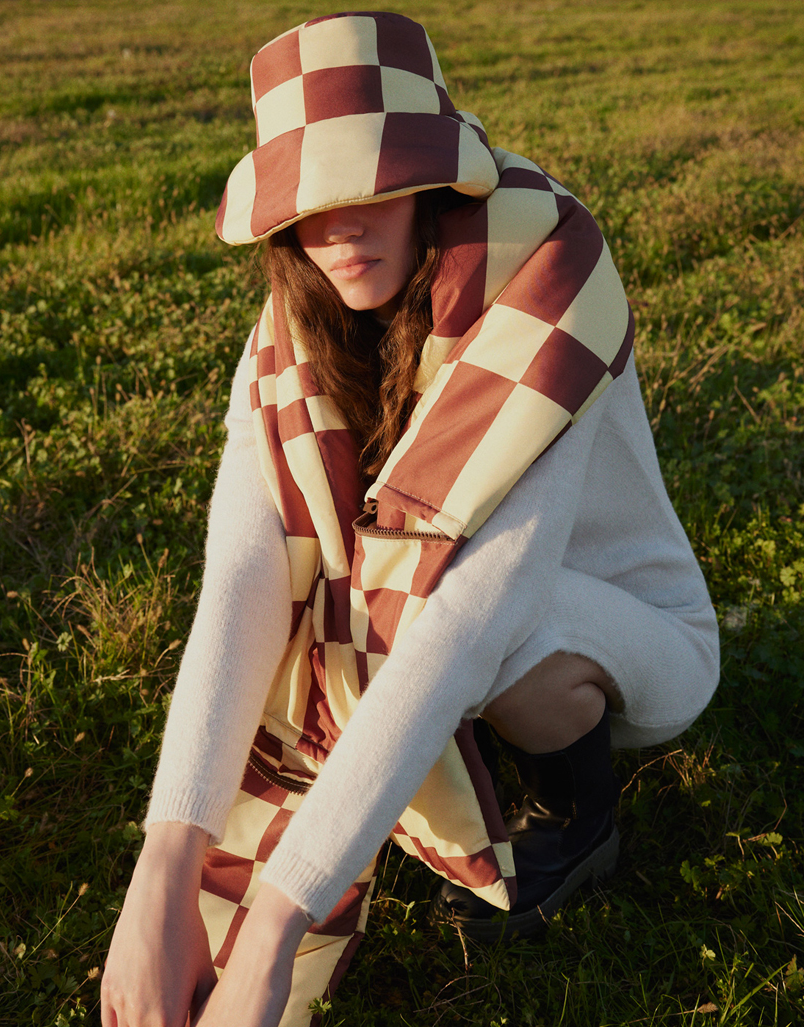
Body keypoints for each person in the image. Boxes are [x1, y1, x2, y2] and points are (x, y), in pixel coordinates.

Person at [100, 11, 720, 1027]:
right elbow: (244, 572)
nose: (339, 227)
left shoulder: (550, 279)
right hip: (430, 606)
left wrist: (270, 934)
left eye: (370, 189)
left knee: (449, 626)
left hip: (617, 626)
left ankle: (578, 818)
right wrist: (163, 871)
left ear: (433, 175)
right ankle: (422, 756)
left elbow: (477, 608)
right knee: (325, 605)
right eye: (308, 204)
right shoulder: (300, 312)